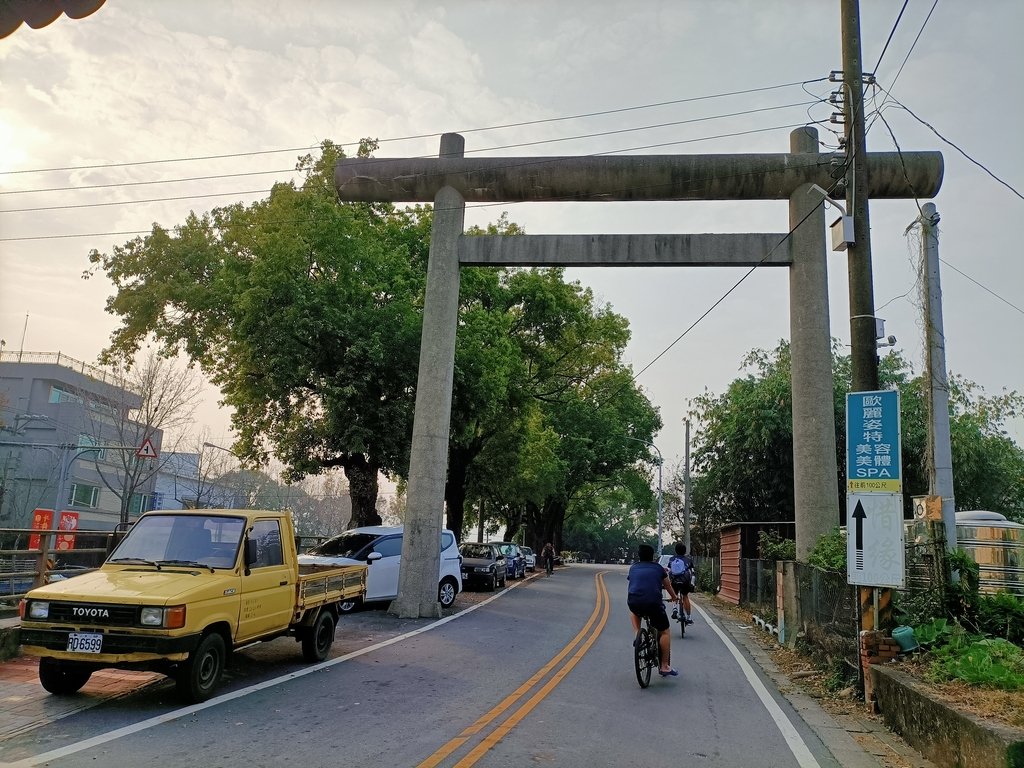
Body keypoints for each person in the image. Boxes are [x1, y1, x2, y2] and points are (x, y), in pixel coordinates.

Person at [627, 543, 679, 677]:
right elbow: (667, 586)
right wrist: (674, 597)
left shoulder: (633, 568)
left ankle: (637, 635)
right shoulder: (658, 568)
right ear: (653, 556)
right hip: (653, 603)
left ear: (639, 556)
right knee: (665, 631)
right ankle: (664, 666)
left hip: (634, 601)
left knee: (634, 610)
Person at [667, 542, 696, 625]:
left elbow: (669, 571)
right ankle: (689, 618)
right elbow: (693, 573)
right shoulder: (688, 560)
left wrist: (669, 582)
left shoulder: (672, 559)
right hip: (685, 581)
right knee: (685, 596)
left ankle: (675, 608)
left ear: (676, 551)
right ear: (685, 551)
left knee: (674, 594)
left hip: (674, 581)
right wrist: (692, 584)